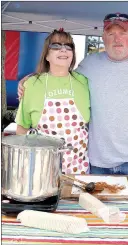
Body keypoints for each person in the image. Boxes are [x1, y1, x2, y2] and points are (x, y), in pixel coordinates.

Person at [18, 13, 128, 178]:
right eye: (111, 34)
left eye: (122, 33)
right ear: (103, 38)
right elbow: (60, 74)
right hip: (96, 163)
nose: (116, 39)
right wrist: (31, 79)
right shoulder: (89, 65)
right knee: (96, 204)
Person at [16, 29, 90, 175]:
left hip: (79, 170)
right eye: (56, 45)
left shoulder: (84, 81)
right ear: (47, 55)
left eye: (69, 46)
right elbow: (21, 129)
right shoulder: (31, 84)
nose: (63, 49)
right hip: (42, 171)